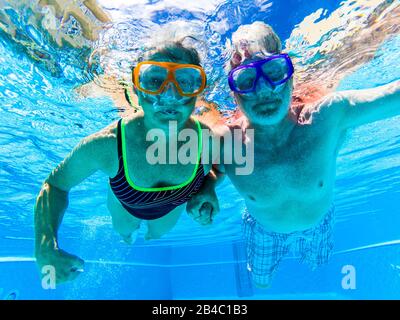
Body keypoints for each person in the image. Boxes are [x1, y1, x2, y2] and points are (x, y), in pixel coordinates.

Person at [187, 21, 400, 288]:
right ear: (234, 91)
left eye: (273, 72)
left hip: (319, 224)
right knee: (261, 282)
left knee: (317, 266)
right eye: (246, 80)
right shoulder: (228, 139)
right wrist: (208, 184)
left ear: (290, 74)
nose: (263, 90)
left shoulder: (327, 118)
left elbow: (393, 95)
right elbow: (177, 151)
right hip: (263, 231)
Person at [34, 40, 219, 284]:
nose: (170, 95)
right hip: (124, 206)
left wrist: (209, 186)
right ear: (137, 89)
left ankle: (148, 236)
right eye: (154, 80)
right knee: (125, 230)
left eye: (185, 81)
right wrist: (44, 247)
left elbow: (220, 166)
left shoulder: (209, 140)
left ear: (197, 92)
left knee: (157, 234)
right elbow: (55, 185)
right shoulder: (107, 145)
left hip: (170, 209)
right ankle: (127, 237)